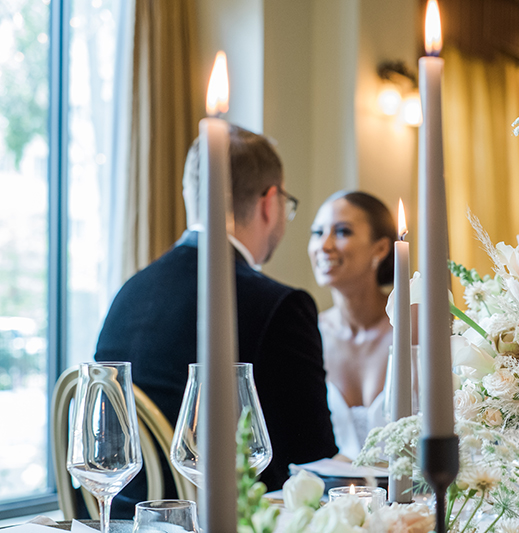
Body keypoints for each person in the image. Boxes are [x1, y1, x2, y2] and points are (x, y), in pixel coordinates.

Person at [94, 125, 338, 517]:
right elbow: (313, 455)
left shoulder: (129, 292)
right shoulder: (280, 305)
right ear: (269, 202)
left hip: (120, 518)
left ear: (190, 195)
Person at [307, 191, 396, 460]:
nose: (324, 245)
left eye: (342, 232)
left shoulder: (416, 330)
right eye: (317, 232)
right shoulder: (310, 335)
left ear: (380, 248)